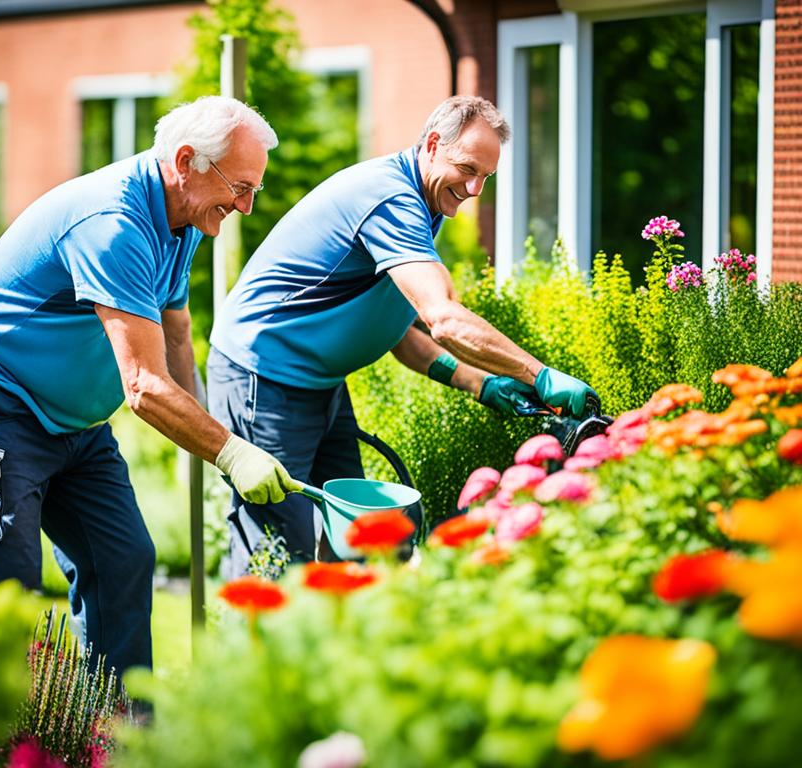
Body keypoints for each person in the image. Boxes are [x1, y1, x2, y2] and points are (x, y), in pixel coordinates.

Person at [0, 95, 299, 677]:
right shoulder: (114, 223)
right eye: (242, 187)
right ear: (186, 162)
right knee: (7, 588)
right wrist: (232, 452)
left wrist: (212, 442)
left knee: (123, 559)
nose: (247, 206)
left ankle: (121, 741)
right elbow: (144, 385)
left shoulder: (185, 221)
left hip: (72, 421)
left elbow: (176, 337)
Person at [208, 95, 599, 578]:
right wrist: (537, 374)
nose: (475, 188)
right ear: (433, 144)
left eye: (486, 177)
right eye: (467, 168)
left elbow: (398, 329)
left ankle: (333, 649)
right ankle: (252, 652)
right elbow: (443, 319)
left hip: (317, 379)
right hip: (262, 375)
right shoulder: (391, 196)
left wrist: (482, 383)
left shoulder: (422, 201)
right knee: (273, 547)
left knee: (352, 537)